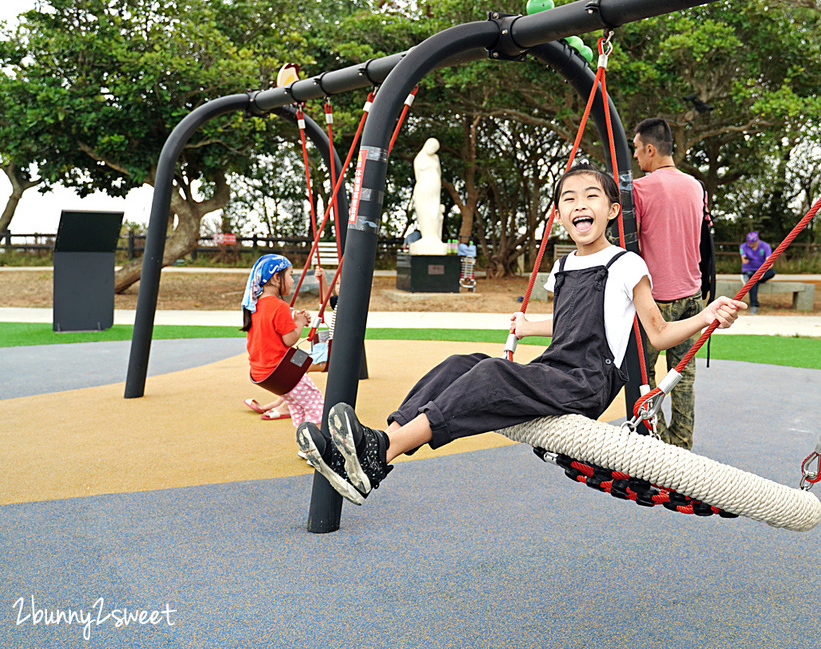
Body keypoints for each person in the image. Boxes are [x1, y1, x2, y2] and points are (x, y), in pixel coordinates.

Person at [296, 162, 743, 505]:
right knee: (460, 364)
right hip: (554, 369)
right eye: (569, 199)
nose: (579, 205)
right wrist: (531, 327)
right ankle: (372, 449)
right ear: (560, 214)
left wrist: (707, 316)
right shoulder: (564, 265)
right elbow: (571, 320)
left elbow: (659, 333)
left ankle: (382, 451)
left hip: (586, 381)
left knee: (491, 374)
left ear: (611, 210)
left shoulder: (626, 264)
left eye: (591, 196)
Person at [631, 117, 707, 450]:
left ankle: (656, 444)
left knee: (643, 377)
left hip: (657, 302)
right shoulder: (696, 186)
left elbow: (628, 243)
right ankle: (682, 445)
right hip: (692, 296)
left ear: (650, 149)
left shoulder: (640, 189)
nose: (635, 156)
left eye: (636, 149)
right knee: (683, 377)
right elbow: (705, 242)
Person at [241, 254, 324, 428]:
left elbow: (272, 331)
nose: (293, 281)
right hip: (281, 371)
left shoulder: (254, 305)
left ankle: (306, 446)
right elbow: (289, 340)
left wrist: (292, 319)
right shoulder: (279, 305)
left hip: (261, 374)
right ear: (276, 278)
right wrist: (300, 323)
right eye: (290, 275)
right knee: (316, 404)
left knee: (297, 407)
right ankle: (316, 445)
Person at [740, 231, 775, 315]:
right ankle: (754, 306)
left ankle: (750, 280)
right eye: (750, 243)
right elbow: (743, 260)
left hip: (762, 270)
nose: (751, 245)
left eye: (753, 243)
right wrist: (746, 259)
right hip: (749, 270)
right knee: (753, 280)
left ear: (758, 240)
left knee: (772, 272)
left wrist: (762, 271)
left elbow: (770, 262)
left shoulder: (765, 246)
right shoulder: (743, 246)